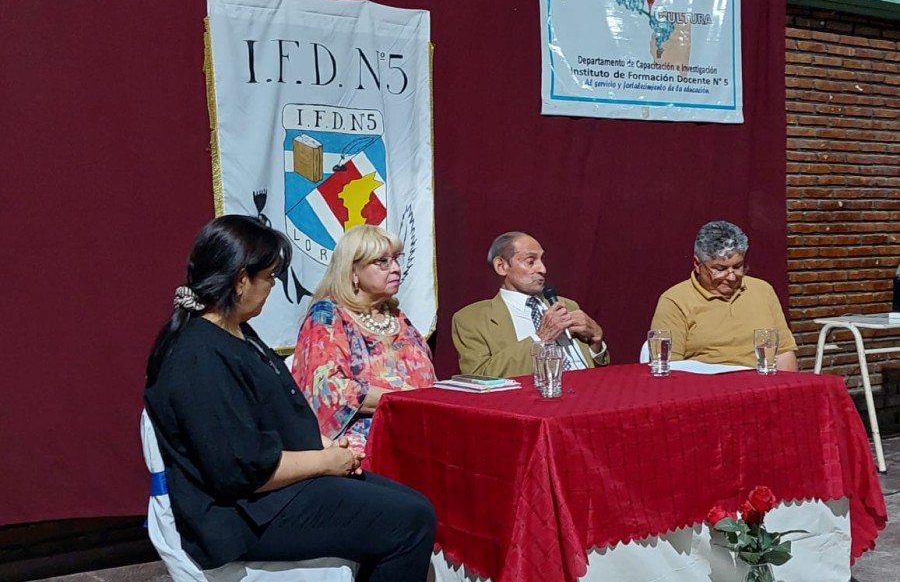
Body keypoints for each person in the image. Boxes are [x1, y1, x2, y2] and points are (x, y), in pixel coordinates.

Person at [144, 215, 435, 581]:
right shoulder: (199, 356)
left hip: (271, 491)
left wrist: (327, 445)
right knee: (409, 523)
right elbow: (242, 470)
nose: (270, 288)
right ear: (240, 281)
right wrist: (325, 462)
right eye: (267, 278)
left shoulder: (236, 332)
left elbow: (274, 414)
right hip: (242, 514)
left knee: (414, 505)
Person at [292, 224, 435, 454]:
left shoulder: (397, 317)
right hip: (362, 444)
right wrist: (405, 400)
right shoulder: (328, 314)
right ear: (353, 272)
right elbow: (329, 390)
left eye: (396, 259)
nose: (396, 268)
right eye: (383, 262)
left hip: (419, 430)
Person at [451, 231, 609, 378]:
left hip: (588, 395)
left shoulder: (567, 305)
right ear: (501, 266)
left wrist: (596, 341)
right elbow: (480, 376)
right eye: (531, 261)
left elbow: (596, 369)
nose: (543, 269)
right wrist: (540, 339)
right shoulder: (471, 319)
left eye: (542, 260)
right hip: (530, 402)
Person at [650, 220, 799, 370]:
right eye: (720, 269)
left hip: (761, 386)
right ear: (697, 264)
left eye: (738, 267)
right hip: (707, 387)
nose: (731, 277)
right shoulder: (675, 301)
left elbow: (783, 352)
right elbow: (669, 366)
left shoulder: (763, 290)